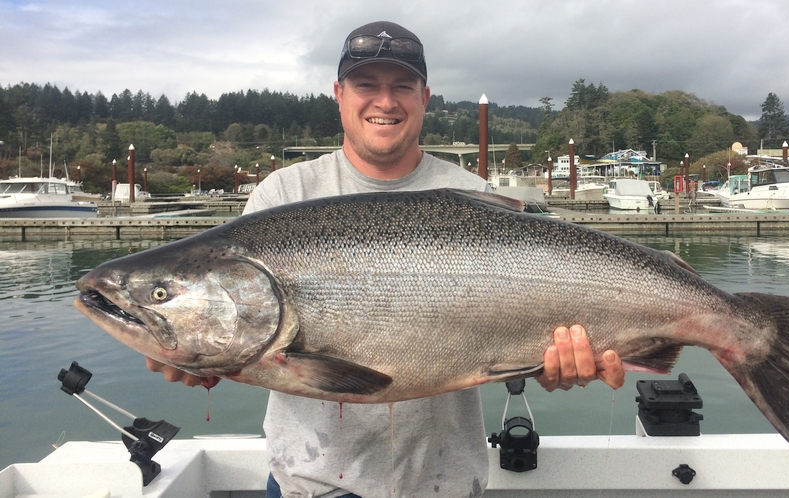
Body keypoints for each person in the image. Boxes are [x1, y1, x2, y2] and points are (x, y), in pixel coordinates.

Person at [147, 21, 624, 498]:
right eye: (366, 85)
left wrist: (550, 366)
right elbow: (240, 339)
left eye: (402, 86)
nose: (385, 101)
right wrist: (198, 361)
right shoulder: (281, 195)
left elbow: (513, 341)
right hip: (309, 487)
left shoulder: (473, 196)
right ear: (338, 93)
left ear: (425, 97)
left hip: (445, 486)